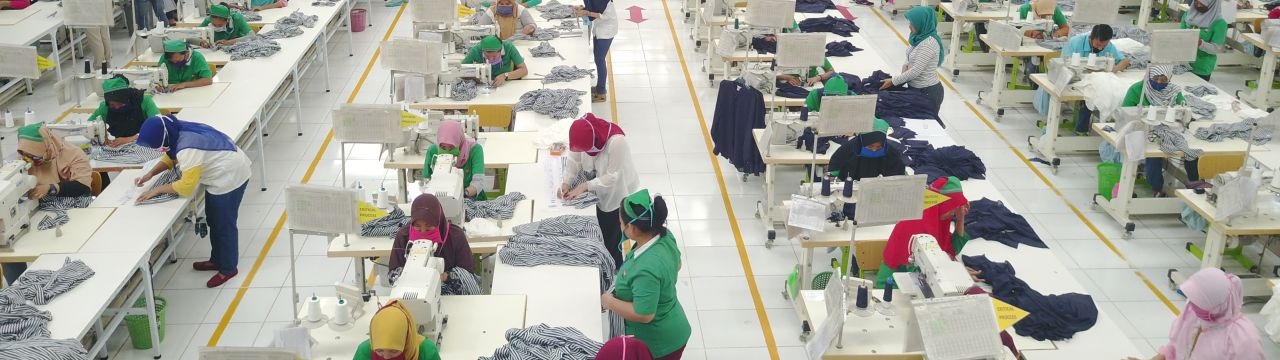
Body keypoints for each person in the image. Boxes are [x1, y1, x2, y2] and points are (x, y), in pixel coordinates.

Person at [135, 115, 252, 288]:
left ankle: (228, 268)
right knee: (214, 219)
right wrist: (150, 174)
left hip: (229, 178)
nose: (158, 149)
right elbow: (170, 156)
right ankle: (217, 260)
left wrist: (157, 189)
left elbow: (187, 186)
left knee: (224, 225)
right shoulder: (177, 130)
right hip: (222, 174)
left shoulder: (187, 147)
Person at [601, 189, 691, 360]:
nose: (620, 226)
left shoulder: (646, 269)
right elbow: (677, 265)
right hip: (673, 321)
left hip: (661, 343)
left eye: (621, 223)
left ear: (632, 228)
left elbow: (644, 314)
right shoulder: (664, 236)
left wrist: (609, 301)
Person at [2, 123, 95, 284]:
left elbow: (83, 186)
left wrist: (52, 188)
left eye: (33, 156)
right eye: (24, 154)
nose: (28, 160)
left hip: (73, 208)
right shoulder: (23, 162)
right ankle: (19, 291)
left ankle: (63, 282)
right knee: (8, 252)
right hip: (38, 210)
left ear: (47, 147)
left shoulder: (74, 155)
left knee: (61, 249)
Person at [1125, 268, 1265, 360]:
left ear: (1216, 304)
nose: (1191, 304)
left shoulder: (1243, 339)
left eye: (1199, 300)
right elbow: (1174, 349)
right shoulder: (1194, 314)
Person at [559, 113, 639, 268]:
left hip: (618, 191)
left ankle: (613, 268)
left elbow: (612, 177)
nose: (585, 152)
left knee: (611, 235)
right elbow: (574, 159)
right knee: (599, 229)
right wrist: (567, 182)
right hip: (598, 183)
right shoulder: (581, 136)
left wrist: (585, 186)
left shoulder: (616, 142)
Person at [877, 176, 968, 288]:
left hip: (915, 281)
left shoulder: (936, 218)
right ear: (944, 204)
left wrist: (960, 218)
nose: (954, 212)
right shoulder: (916, 224)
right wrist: (956, 273)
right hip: (892, 285)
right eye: (953, 207)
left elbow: (952, 249)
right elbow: (925, 275)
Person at [1123, 65, 1194, 198]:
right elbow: (1126, 112)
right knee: (1146, 153)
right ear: (1149, 77)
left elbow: (1180, 111)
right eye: (1156, 78)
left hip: (1164, 130)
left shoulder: (1173, 91)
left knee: (1161, 152)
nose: (1159, 83)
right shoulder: (1137, 89)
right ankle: (1127, 185)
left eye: (1164, 80)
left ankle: (1159, 187)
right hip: (1138, 128)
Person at [387, 194, 476, 284]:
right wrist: (407, 275)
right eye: (417, 226)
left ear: (438, 221)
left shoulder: (455, 236)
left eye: (429, 226)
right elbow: (392, 275)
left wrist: (445, 277)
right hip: (411, 285)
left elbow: (468, 273)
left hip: (450, 289)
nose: (423, 231)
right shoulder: (403, 236)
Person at [1067, 25, 1132, 135]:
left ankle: (1110, 128)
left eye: (1104, 45)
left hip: (1098, 79)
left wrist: (1113, 70)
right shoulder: (1075, 43)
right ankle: (1081, 130)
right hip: (1076, 78)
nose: (1101, 48)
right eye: (1098, 44)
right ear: (1091, 37)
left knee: (1113, 93)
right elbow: (1065, 63)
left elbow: (1125, 61)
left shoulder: (1109, 46)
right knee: (1090, 95)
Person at [881, 6, 946, 117]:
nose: (909, 26)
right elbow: (910, 53)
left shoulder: (929, 44)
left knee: (927, 124)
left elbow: (915, 71)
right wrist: (905, 65)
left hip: (928, 92)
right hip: (916, 89)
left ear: (922, 23)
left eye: (913, 24)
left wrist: (893, 81)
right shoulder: (918, 37)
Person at [354, 300, 443, 360]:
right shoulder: (365, 351)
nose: (386, 357)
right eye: (379, 351)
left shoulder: (426, 351)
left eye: (394, 351)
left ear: (406, 338)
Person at [88, 76, 162, 147]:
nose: (116, 107)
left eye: (120, 103)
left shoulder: (144, 101)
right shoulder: (105, 107)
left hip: (143, 143)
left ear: (127, 97)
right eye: (112, 105)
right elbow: (90, 124)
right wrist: (103, 135)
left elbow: (159, 125)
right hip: (116, 146)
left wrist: (131, 138)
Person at [422, 121, 487, 200]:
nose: (447, 151)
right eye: (443, 147)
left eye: (452, 147)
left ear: (459, 142)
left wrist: (462, 195)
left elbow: (478, 182)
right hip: (440, 197)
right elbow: (427, 178)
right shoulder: (433, 150)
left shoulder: (475, 150)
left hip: (471, 198)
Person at [827, 125, 906, 182]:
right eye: (870, 146)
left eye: (878, 147)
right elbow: (833, 171)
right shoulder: (847, 150)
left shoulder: (890, 153)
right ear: (862, 143)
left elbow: (899, 176)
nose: (874, 150)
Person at [575, 0, 617, 102]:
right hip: (599, 29)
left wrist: (586, 13)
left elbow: (597, 15)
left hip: (607, 31)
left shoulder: (601, 1)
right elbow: (591, 9)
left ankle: (601, 93)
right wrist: (582, 9)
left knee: (600, 60)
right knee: (597, 59)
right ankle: (599, 87)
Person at [1182, 0, 1228, 81]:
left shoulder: (1219, 23)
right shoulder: (1188, 15)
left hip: (1201, 67)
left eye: (1202, 4)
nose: (1198, 6)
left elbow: (1217, 49)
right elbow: (1180, 34)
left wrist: (1200, 44)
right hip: (1183, 64)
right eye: (1196, 2)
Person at [461, 35, 529, 87]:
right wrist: (475, 77)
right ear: (482, 51)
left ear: (501, 51)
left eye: (494, 56)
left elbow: (524, 70)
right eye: (487, 56)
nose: (490, 59)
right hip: (483, 84)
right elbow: (462, 70)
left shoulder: (509, 47)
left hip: (506, 84)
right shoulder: (476, 50)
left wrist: (505, 76)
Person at [471, 0, 537, 40]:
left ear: (513, 3)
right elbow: (479, 28)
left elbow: (531, 24)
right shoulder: (492, 11)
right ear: (497, 3)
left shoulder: (520, 10)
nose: (504, 6)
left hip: (519, 41)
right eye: (501, 4)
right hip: (497, 43)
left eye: (508, 4)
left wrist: (530, 27)